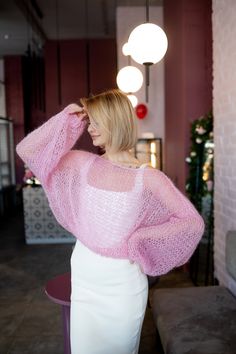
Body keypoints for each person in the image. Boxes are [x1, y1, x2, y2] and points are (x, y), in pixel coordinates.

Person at [16, 89, 204, 354]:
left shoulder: (148, 177)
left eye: (95, 121)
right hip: (84, 279)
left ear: (115, 120)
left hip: (122, 287)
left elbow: (191, 222)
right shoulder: (82, 164)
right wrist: (69, 118)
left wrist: (140, 241)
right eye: (89, 121)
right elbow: (28, 150)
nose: (90, 128)